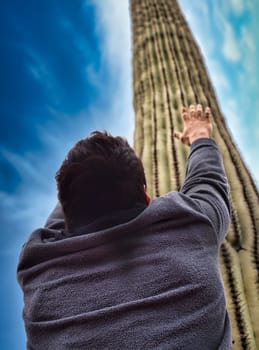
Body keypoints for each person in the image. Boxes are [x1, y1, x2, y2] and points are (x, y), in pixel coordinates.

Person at [17, 104, 232, 349]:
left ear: (68, 212)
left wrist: (85, 177)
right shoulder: (190, 223)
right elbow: (209, 183)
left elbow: (64, 217)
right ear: (146, 196)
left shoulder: (38, 271)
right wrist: (199, 135)